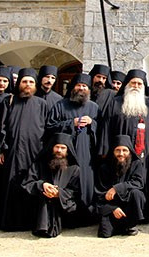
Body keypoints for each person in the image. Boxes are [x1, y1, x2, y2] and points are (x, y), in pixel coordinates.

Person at [0, 68, 49, 231]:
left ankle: (30, 222)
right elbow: (0, 127)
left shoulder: (42, 104)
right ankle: (9, 222)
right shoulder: (8, 101)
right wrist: (1, 149)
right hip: (12, 152)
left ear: (35, 85)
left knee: (31, 184)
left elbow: (46, 129)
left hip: (34, 153)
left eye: (31, 82)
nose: (27, 85)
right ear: (19, 83)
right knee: (10, 185)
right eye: (24, 81)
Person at [101, 70, 149, 211]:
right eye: (133, 83)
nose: (136, 86)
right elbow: (106, 127)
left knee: (143, 180)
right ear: (127, 84)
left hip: (146, 153)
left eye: (139, 84)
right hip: (121, 153)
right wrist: (104, 149)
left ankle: (145, 211)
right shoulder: (115, 103)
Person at [45, 73, 99, 214]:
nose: (81, 88)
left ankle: (85, 213)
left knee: (85, 182)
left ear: (89, 89)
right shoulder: (60, 105)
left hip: (86, 153)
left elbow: (102, 130)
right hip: (65, 154)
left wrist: (92, 123)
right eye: (78, 85)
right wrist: (71, 123)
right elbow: (50, 127)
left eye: (84, 86)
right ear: (73, 87)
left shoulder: (94, 107)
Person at [21, 133, 81, 238]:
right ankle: (43, 227)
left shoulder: (74, 168)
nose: (59, 150)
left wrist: (59, 193)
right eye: (57, 147)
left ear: (67, 150)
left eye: (63, 148)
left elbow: (75, 191)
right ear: (52, 147)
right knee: (44, 196)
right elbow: (27, 183)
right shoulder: (39, 164)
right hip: (40, 203)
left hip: (63, 205)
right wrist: (42, 185)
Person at [94, 135, 147, 238]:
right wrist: (112, 208)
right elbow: (99, 193)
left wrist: (117, 188)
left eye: (124, 150)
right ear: (113, 152)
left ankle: (131, 225)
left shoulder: (136, 164)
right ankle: (121, 226)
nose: (121, 154)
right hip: (112, 206)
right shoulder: (104, 168)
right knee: (105, 233)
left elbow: (138, 183)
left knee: (137, 193)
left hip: (129, 205)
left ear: (129, 152)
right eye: (117, 150)